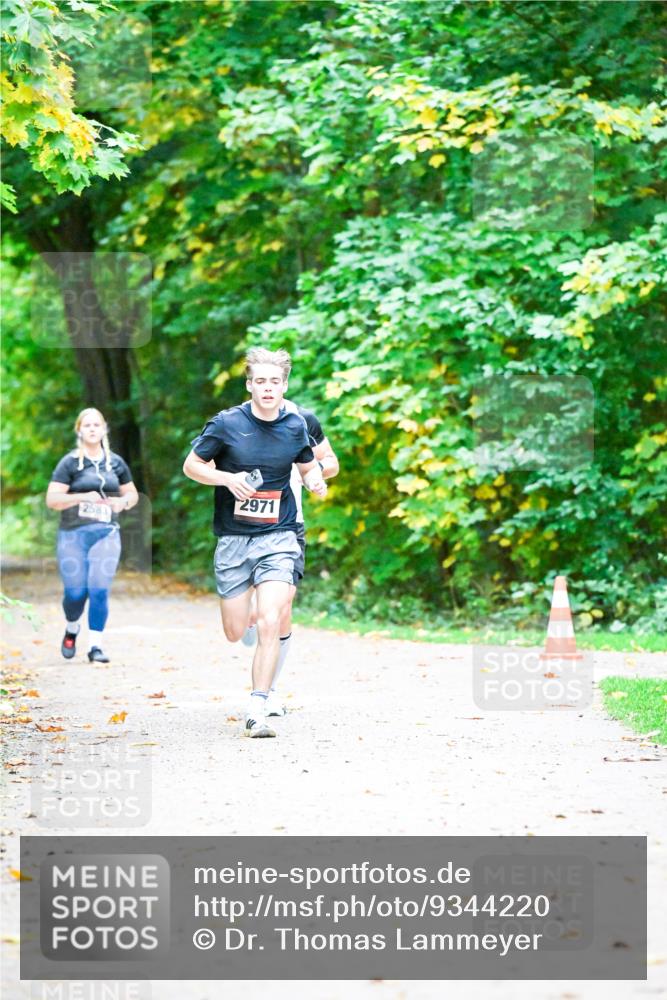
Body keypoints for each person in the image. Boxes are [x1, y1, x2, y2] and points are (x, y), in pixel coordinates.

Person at [183, 347, 328, 738]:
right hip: (233, 538)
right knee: (235, 631)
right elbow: (192, 465)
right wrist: (227, 479)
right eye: (260, 381)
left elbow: (309, 465)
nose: (267, 388)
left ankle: (257, 706)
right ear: (249, 385)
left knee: (270, 620)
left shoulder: (296, 426)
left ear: (284, 386)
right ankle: (242, 617)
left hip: (279, 536)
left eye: (274, 382)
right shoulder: (226, 424)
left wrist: (315, 481)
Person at [242, 399, 339, 719]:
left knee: (283, 608)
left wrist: (313, 473)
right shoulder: (240, 420)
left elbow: (331, 461)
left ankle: (267, 692)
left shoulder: (303, 419)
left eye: (274, 381)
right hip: (244, 526)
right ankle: (249, 616)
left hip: (289, 525)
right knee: (255, 611)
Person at [46, 408, 139, 663]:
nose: (92, 428)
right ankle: (72, 627)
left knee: (99, 588)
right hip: (72, 535)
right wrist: (81, 496)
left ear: (104, 429)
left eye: (96, 424)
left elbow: (132, 494)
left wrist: (123, 503)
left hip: (106, 533)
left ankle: (95, 646)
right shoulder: (70, 463)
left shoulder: (116, 463)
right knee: (76, 593)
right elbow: (52, 499)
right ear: (79, 430)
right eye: (87, 425)